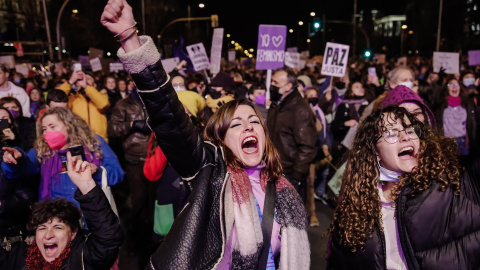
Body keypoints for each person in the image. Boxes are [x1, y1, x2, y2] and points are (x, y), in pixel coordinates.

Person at [100, 1, 310, 268]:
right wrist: (130, 40)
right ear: (222, 140)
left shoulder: (285, 189)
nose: (247, 127)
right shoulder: (210, 172)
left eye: (253, 121)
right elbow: (168, 117)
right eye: (235, 125)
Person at [327, 105, 480, 269]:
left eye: (409, 130)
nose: (405, 137)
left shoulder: (453, 181)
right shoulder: (355, 208)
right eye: (391, 133)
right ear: (375, 151)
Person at [0, 151, 123, 270]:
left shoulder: (83, 255)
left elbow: (108, 238)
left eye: (58, 227)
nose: (48, 235)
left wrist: (87, 186)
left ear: (73, 233)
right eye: (42, 228)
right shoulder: (20, 256)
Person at [1, 107, 123, 207]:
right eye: (44, 129)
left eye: (52, 127)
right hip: (57, 218)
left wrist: (96, 171)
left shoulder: (95, 143)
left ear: (68, 125)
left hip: (92, 213)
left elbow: (117, 173)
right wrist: (18, 159)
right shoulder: (42, 151)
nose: (47, 132)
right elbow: (25, 169)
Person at [267, 67, 317, 200]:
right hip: (273, 169)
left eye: (275, 83)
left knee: (289, 218)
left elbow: (307, 147)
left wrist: (296, 176)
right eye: (272, 82)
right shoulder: (277, 105)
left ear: (288, 86)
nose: (271, 85)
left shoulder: (300, 111)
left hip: (288, 174)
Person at [59, 70, 110, 141]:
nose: (85, 80)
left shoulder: (101, 95)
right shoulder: (73, 98)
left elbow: (103, 105)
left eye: (88, 79)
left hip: (100, 140)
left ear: (95, 85)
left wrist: (86, 87)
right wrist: (70, 81)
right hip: (80, 139)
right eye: (82, 78)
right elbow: (59, 97)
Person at [434, 77, 477, 159]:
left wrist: (468, 144)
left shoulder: (466, 104)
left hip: (462, 141)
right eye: (451, 85)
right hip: (446, 141)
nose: (454, 87)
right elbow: (432, 97)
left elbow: (470, 126)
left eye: (456, 84)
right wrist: (439, 81)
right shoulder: (442, 104)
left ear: (460, 88)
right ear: (447, 89)